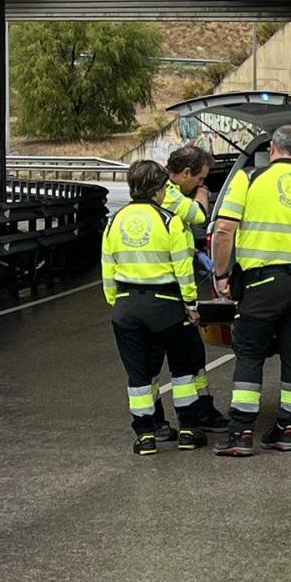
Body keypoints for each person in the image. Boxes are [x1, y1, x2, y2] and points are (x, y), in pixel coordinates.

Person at [210, 125, 291, 456]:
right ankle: (286, 430)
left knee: (251, 353)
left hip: (262, 284)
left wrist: (222, 274)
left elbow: (224, 230)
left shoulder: (250, 180)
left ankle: (240, 433)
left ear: (272, 148)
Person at [101, 160, 208, 455]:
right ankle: (188, 430)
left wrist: (117, 303)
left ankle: (145, 436)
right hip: (167, 307)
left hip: (126, 308)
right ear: (159, 190)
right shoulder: (168, 221)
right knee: (183, 371)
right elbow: (183, 268)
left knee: (139, 376)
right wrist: (191, 304)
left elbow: (107, 268)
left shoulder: (114, 222)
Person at [160, 144, 228, 432]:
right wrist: (204, 194)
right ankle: (195, 418)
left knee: (190, 357)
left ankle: (199, 410)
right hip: (171, 291)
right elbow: (198, 215)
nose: (201, 184)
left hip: (163, 291)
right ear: (185, 173)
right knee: (185, 359)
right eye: (199, 178)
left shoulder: (161, 190)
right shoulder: (169, 191)